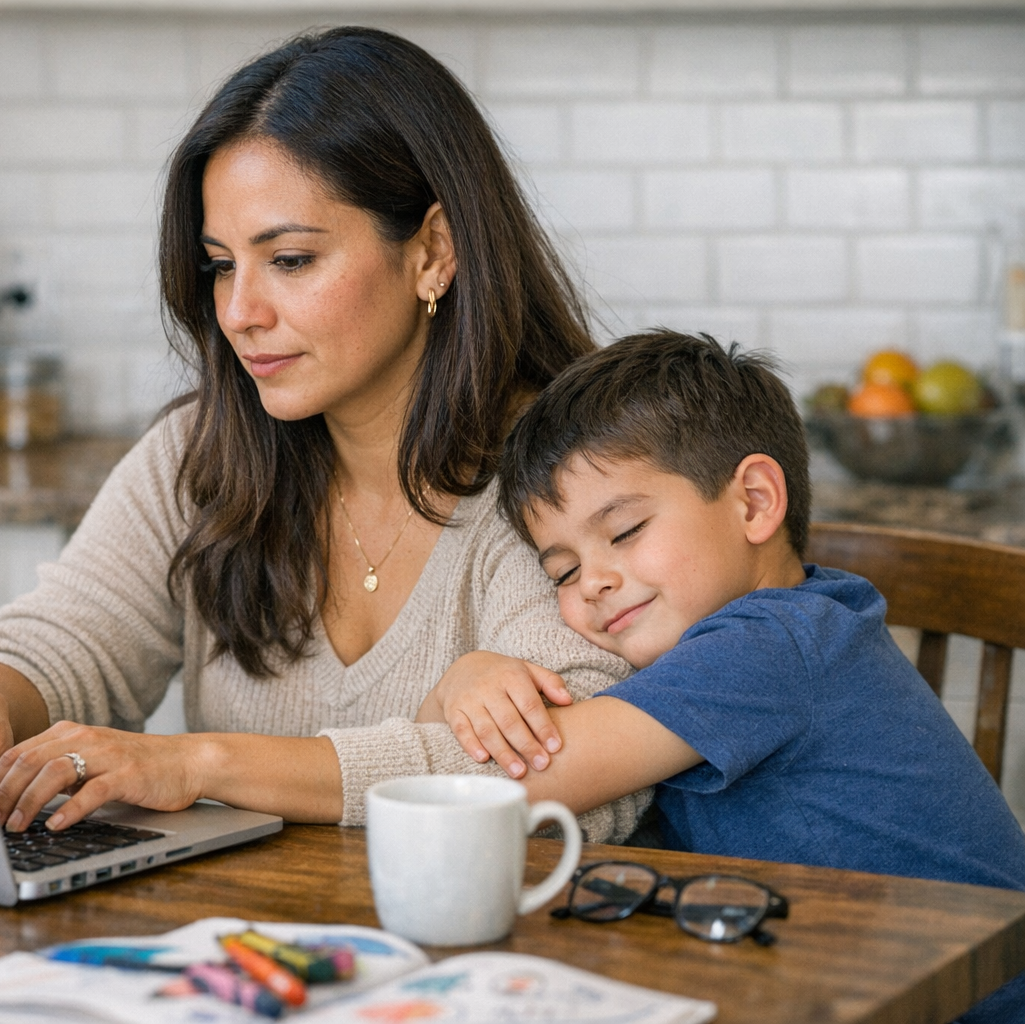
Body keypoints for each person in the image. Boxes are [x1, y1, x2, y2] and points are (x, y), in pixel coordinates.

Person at [0, 26, 650, 840]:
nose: (240, 313)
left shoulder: (569, 478)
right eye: (220, 264)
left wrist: (198, 764)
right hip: (235, 950)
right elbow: (70, 638)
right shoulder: (201, 454)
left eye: (288, 260)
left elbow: (575, 772)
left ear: (433, 251)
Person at [417, 330, 1025, 1022]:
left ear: (756, 501)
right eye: (563, 570)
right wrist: (464, 679)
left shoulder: (773, 643)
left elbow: (503, 784)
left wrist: (456, 685)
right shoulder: (750, 642)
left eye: (623, 532)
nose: (594, 583)